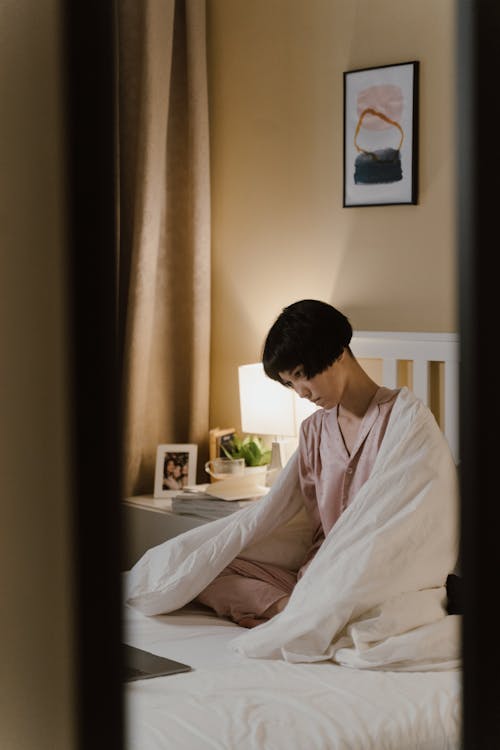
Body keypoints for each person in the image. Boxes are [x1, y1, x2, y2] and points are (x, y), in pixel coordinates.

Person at [195, 299, 401, 627]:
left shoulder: (402, 419)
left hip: (367, 574)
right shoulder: (314, 431)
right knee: (200, 571)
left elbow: (410, 519)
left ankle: (302, 615)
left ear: (335, 351)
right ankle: (289, 611)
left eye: (302, 376)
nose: (301, 392)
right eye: (291, 384)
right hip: (314, 576)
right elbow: (305, 520)